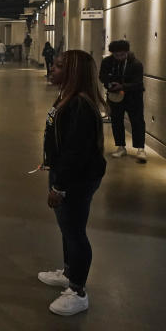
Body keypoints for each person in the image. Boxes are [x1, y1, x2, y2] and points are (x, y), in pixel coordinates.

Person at [38, 50, 107, 316]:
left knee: (75, 232)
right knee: (67, 229)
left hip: (75, 180)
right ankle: (68, 272)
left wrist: (59, 186)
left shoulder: (79, 104)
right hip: (64, 174)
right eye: (53, 65)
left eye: (58, 66)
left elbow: (75, 151)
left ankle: (78, 291)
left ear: (74, 73)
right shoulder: (67, 98)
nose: (52, 69)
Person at [99, 39, 147, 162]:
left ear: (127, 52)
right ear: (112, 53)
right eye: (116, 55)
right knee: (116, 121)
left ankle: (140, 149)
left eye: (122, 54)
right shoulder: (107, 62)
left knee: (137, 122)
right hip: (115, 97)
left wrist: (123, 86)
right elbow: (102, 76)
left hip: (133, 97)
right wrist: (109, 84)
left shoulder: (136, 64)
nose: (119, 57)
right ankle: (121, 147)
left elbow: (138, 83)